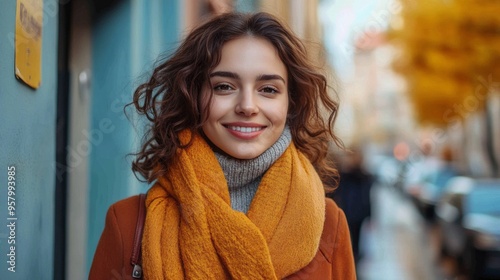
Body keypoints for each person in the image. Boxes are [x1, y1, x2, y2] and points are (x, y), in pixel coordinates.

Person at [89, 12, 356, 279]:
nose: (247, 106)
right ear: (193, 95)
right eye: (225, 86)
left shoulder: (329, 226)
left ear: (291, 103)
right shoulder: (129, 224)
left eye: (268, 89)